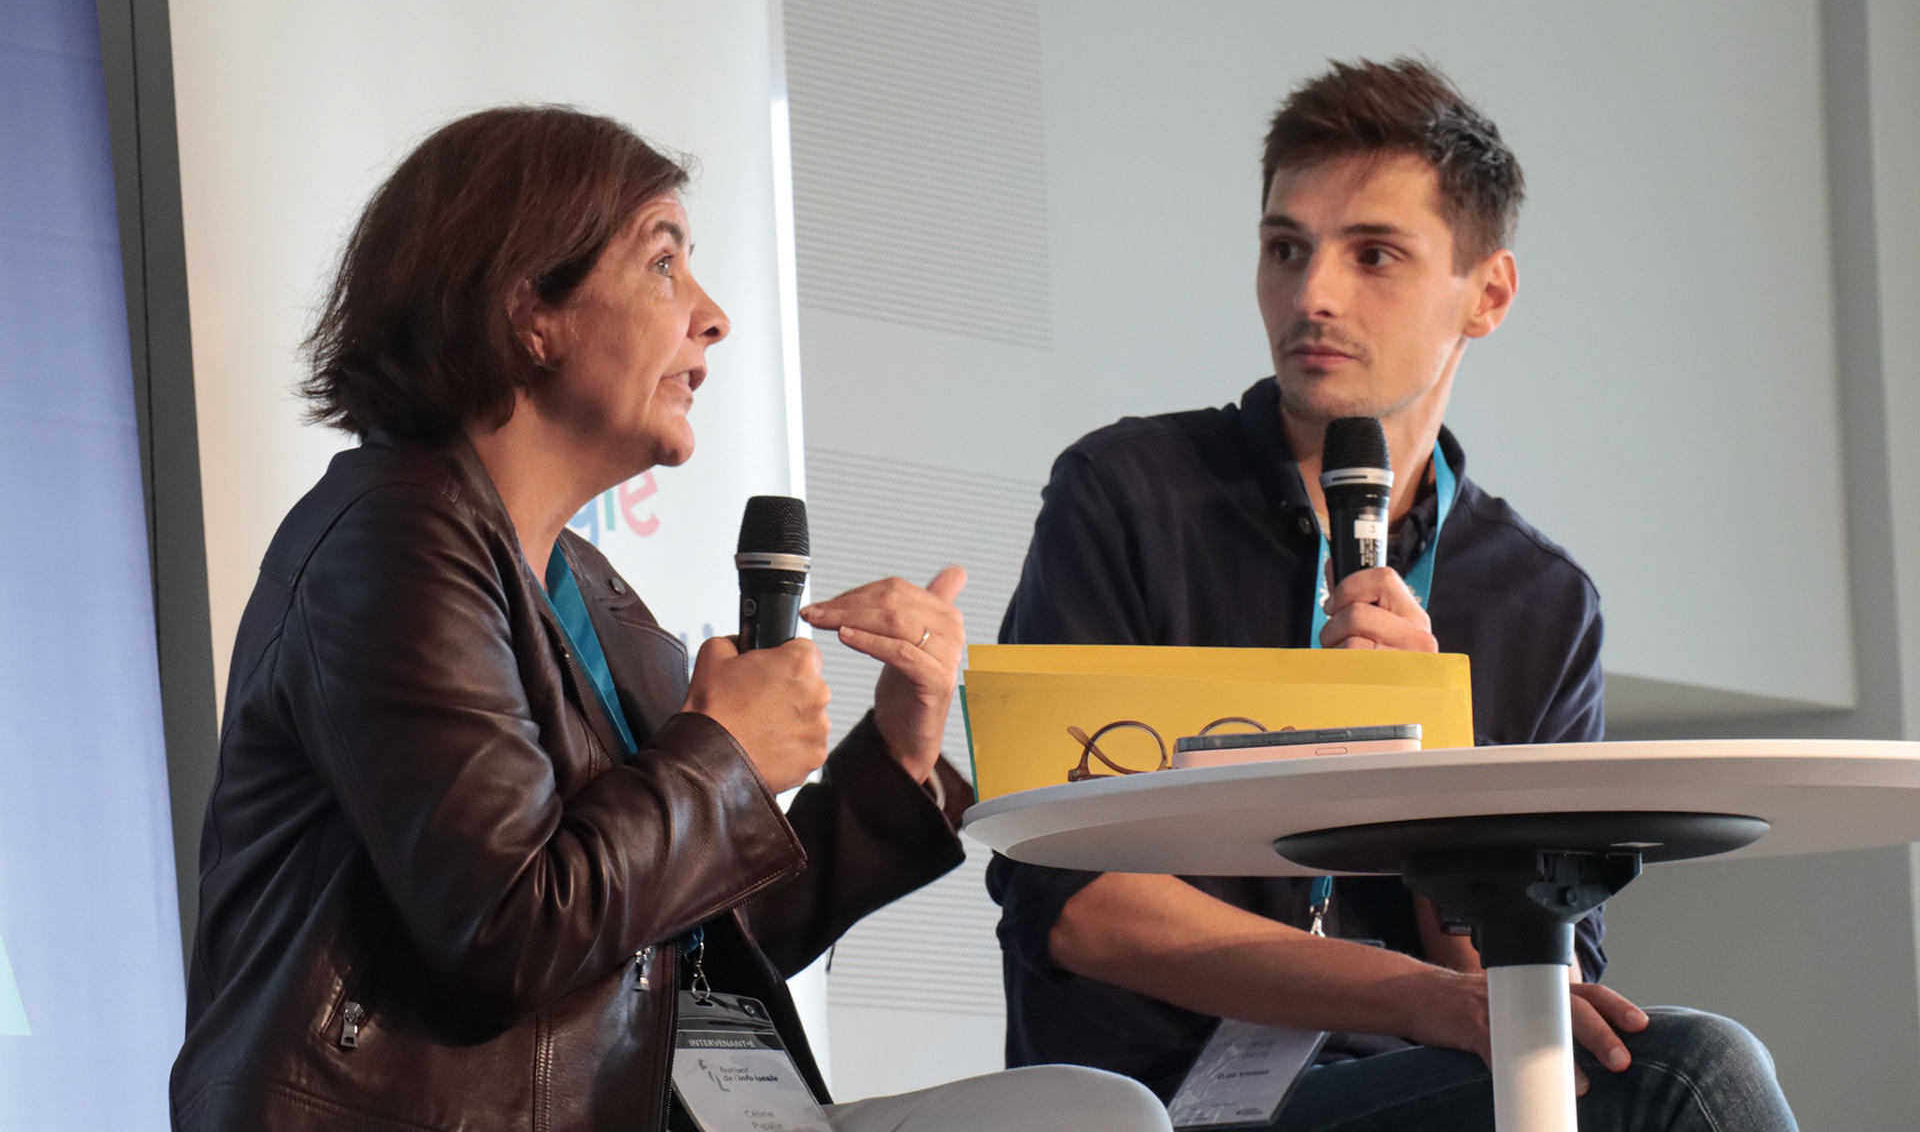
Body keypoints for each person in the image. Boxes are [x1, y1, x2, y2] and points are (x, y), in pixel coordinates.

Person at [169, 106, 1170, 1132]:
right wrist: (725, 749)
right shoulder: (392, 541)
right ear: (530, 310)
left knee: (1095, 1113)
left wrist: (898, 756)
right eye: (663, 265)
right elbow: (510, 927)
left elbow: (691, 933)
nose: (713, 315)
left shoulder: (583, 584)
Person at [987, 59, 1798, 1130]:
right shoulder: (1129, 491)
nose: (1312, 293)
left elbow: (1533, 973)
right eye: (1286, 248)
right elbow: (1075, 899)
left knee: (1659, 1062)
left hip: (1417, 1087)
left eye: (1374, 254)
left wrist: (1439, 775)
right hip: (1160, 1103)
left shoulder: (1541, 600)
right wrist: (1424, 997)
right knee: (1696, 1074)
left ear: (1488, 293)